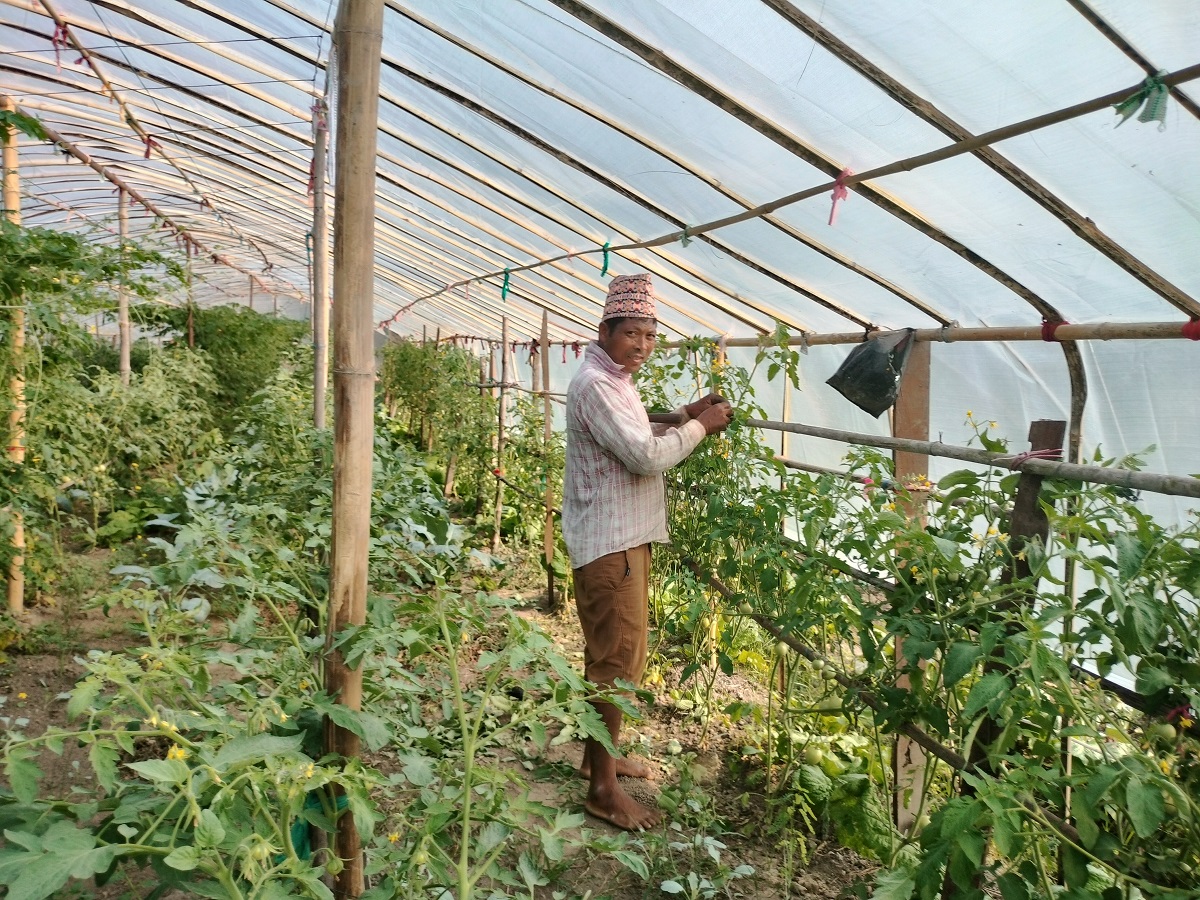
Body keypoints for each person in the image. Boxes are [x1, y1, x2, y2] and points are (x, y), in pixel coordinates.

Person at [562, 272, 733, 830]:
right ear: (606, 329)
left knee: (621, 658)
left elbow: (633, 426)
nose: (642, 345)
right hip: (611, 543)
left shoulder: (613, 380)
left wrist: (681, 414)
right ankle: (602, 791)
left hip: (623, 538)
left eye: (651, 336)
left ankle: (598, 757)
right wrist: (702, 428)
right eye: (632, 333)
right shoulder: (594, 384)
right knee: (615, 664)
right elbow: (643, 455)